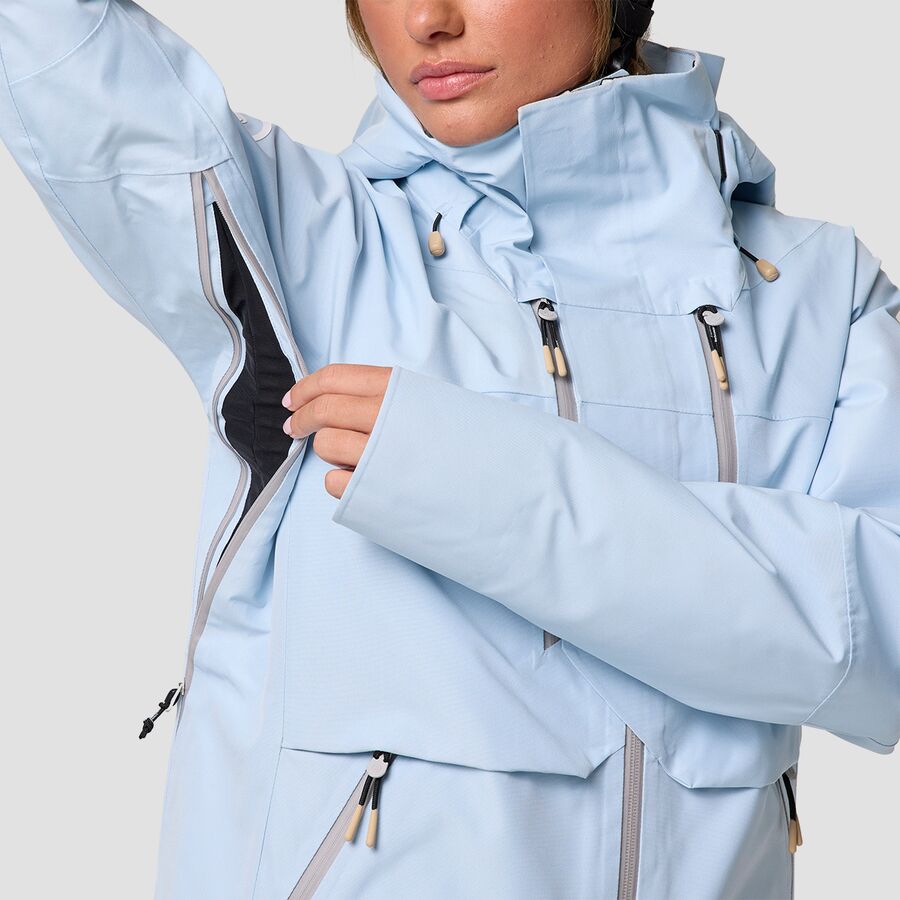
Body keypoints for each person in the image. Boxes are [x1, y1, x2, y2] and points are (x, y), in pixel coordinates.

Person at [1, 1, 897, 897]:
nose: (427, 20)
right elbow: (58, 47)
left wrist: (482, 484)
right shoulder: (303, 238)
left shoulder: (821, 292)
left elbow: (882, 646)